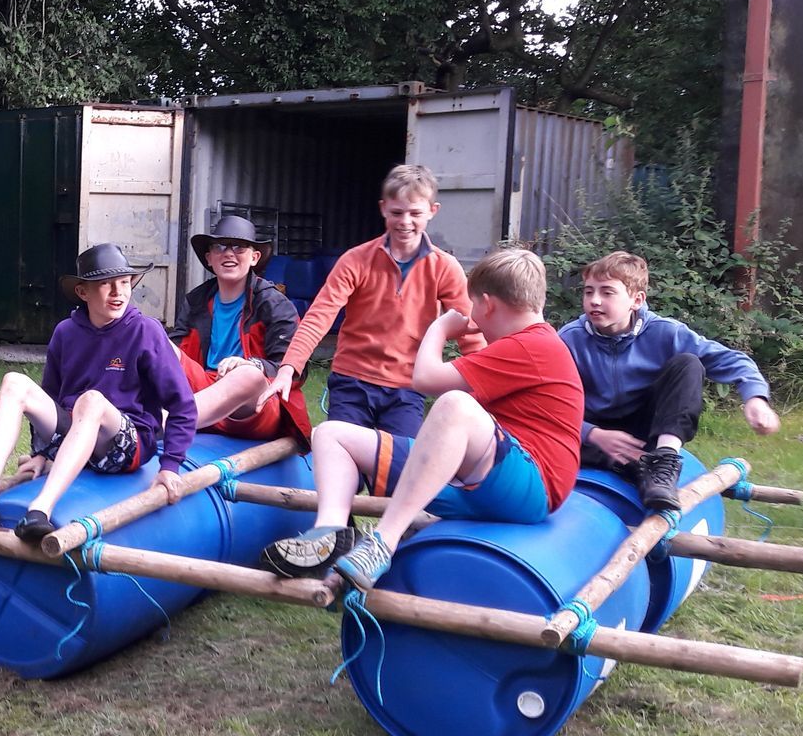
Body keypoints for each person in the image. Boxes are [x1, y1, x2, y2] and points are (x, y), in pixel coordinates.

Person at [259, 248, 583, 590]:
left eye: (474, 308)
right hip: (484, 482)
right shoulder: (522, 345)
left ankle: (384, 541)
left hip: (532, 488)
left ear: (487, 304)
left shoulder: (532, 345)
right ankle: (330, 534)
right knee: (331, 435)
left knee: (455, 405)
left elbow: (425, 379)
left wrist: (440, 328)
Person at [0, 243, 195, 543]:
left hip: (125, 444)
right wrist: (41, 453)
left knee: (91, 400)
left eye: (124, 283)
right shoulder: (65, 333)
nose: (118, 293)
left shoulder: (146, 331)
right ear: (83, 292)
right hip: (76, 434)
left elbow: (183, 406)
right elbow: (50, 399)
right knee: (14, 382)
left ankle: (40, 509)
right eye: (105, 285)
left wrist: (171, 466)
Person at [262, 164, 484, 434]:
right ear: (383, 208)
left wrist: (483, 387)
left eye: (415, 213)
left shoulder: (444, 267)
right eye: (396, 212)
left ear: (432, 211)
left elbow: (469, 331)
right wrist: (288, 368)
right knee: (343, 459)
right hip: (351, 383)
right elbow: (319, 316)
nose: (405, 222)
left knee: (401, 467)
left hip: (407, 386)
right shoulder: (356, 260)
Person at [559, 251, 780, 511]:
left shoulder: (665, 332)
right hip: (591, 432)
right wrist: (593, 434)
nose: (594, 301)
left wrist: (755, 398)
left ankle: (663, 462)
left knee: (688, 363)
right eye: (588, 292)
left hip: (647, 428)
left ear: (636, 299)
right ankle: (629, 464)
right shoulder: (568, 339)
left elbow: (732, 361)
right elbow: (547, 401)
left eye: (607, 293)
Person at [170, 214, 312, 443]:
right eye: (220, 247)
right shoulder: (196, 301)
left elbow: (295, 370)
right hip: (204, 390)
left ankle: (169, 423)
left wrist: (252, 365)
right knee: (155, 339)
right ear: (209, 258)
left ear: (255, 257)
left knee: (247, 375)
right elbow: (174, 357)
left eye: (239, 247)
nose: (228, 253)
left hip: (254, 404)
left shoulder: (273, 304)